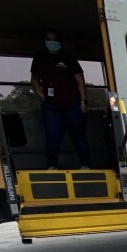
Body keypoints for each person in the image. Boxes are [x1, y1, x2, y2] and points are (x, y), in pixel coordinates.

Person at [30, 28, 91, 170]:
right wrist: (40, 93)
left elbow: (80, 81)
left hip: (72, 105)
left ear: (59, 42)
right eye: (48, 40)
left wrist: (83, 101)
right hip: (51, 106)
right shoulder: (39, 59)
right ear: (44, 42)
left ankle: (85, 165)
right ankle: (52, 165)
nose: (52, 43)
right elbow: (34, 79)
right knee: (52, 137)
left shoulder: (68, 58)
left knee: (79, 136)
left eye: (54, 40)